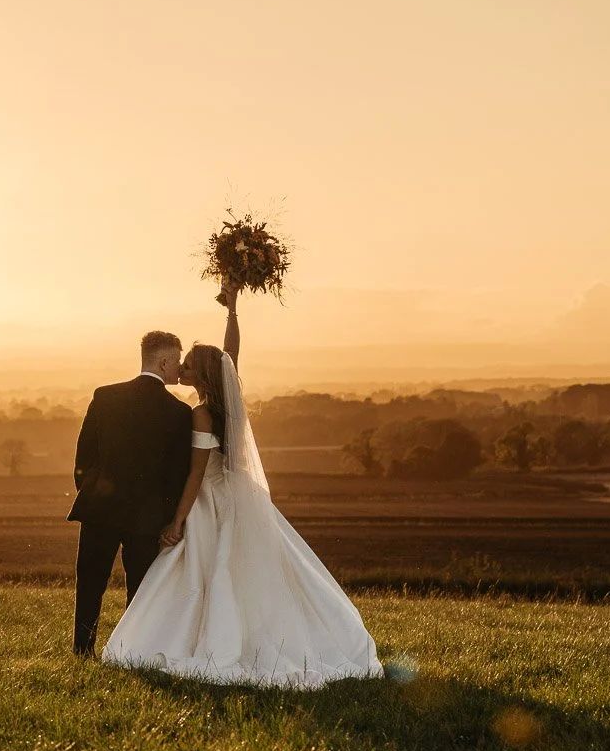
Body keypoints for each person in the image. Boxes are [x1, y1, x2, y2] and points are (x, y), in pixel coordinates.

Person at [101, 285, 383, 687]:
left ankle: (208, 640)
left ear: (200, 375)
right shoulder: (227, 400)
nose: (180, 370)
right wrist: (232, 310)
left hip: (209, 500)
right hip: (235, 494)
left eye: (187, 366)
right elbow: (229, 357)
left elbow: (197, 473)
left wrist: (178, 521)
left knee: (203, 573)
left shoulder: (201, 414)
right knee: (237, 572)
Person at [68, 330, 193, 657]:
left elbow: (84, 458)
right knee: (140, 591)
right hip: (146, 519)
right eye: (177, 361)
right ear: (164, 361)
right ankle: (129, 652)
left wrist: (93, 494)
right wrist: (168, 519)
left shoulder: (105, 396)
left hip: (99, 510)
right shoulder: (180, 413)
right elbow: (177, 476)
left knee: (90, 584)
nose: (179, 369)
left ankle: (83, 651)